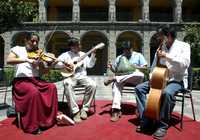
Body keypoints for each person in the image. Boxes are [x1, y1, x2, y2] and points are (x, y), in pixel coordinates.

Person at [134, 25, 191, 139]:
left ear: (168, 36)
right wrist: (152, 78)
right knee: (139, 89)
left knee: (167, 93)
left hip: (176, 79)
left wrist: (167, 56)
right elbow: (154, 66)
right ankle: (147, 118)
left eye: (160, 36)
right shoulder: (160, 48)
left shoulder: (184, 46)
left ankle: (162, 126)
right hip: (159, 78)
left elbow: (184, 64)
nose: (158, 38)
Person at [6, 33, 59, 134]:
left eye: (36, 42)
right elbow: (9, 60)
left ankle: (47, 120)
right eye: (32, 41)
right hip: (21, 81)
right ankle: (33, 125)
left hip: (36, 80)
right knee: (33, 92)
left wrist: (51, 65)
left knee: (52, 87)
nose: (34, 43)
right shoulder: (18, 49)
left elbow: (43, 72)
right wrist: (27, 59)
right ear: (26, 40)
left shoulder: (39, 54)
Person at [55, 37, 97, 123]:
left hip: (83, 77)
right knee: (67, 83)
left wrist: (93, 54)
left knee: (93, 84)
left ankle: (85, 109)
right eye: (78, 45)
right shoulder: (65, 55)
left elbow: (90, 65)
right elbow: (56, 65)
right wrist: (65, 65)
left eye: (79, 45)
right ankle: (75, 111)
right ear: (72, 47)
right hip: (70, 77)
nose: (80, 46)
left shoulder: (83, 54)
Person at [104, 41, 147, 122]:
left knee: (139, 74)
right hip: (123, 79)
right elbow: (116, 71)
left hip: (135, 79)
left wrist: (135, 66)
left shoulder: (138, 55)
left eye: (128, 49)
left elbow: (145, 68)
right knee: (116, 85)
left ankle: (115, 78)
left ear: (132, 48)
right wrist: (111, 68)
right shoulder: (120, 57)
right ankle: (116, 110)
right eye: (125, 50)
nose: (126, 51)